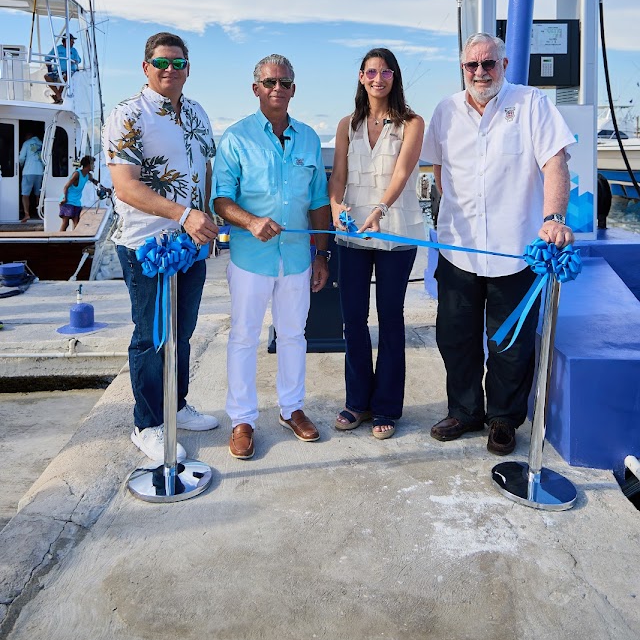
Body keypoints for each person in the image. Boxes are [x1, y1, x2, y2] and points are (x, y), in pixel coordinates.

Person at [424, 32, 575, 456]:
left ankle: (504, 419)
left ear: (504, 65)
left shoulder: (531, 104)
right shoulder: (445, 111)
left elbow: (555, 162)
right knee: (455, 337)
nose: (480, 72)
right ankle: (465, 411)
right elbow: (440, 171)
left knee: (509, 344)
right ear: (462, 69)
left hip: (515, 251)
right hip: (458, 248)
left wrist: (553, 219)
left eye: (489, 63)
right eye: (472, 65)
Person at [103, 32, 219, 464]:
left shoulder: (197, 112)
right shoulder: (128, 114)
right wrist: (184, 214)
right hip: (145, 245)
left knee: (182, 331)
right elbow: (126, 186)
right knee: (152, 335)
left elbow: (204, 167)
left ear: (188, 68)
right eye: (161, 63)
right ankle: (148, 423)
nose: (170, 70)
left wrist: (206, 219)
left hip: (191, 243)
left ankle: (177, 404)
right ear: (146, 67)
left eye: (178, 63)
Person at [213, 54, 330, 460]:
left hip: (298, 257)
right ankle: (242, 419)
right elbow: (220, 199)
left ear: (293, 89)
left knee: (294, 335)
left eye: (284, 83)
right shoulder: (235, 138)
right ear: (256, 88)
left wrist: (321, 254)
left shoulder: (310, 138)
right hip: (251, 258)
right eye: (269, 82)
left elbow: (318, 201)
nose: (276, 89)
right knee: (244, 336)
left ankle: (291, 408)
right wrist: (249, 221)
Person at [329, 48, 425, 440]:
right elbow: (338, 174)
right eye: (371, 71)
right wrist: (336, 207)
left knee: (390, 318)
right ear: (361, 76)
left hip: (394, 231)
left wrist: (381, 210)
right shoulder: (346, 125)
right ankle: (357, 402)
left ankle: (386, 406)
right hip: (351, 235)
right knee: (353, 320)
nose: (378, 78)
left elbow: (402, 172)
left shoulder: (412, 123)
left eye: (385, 72)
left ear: (394, 77)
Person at [59, 155, 100, 230]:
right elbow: (66, 187)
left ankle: (74, 241)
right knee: (66, 223)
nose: (94, 166)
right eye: (93, 164)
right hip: (67, 201)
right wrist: (65, 198)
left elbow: (95, 182)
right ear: (88, 165)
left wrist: (105, 189)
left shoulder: (88, 175)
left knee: (77, 224)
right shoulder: (77, 174)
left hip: (76, 202)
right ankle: (58, 240)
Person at [45, 33, 81, 103]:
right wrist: (49, 66)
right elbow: (47, 57)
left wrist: (74, 61)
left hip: (69, 71)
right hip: (57, 71)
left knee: (67, 75)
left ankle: (58, 95)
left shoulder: (74, 50)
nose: (73, 42)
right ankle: (58, 95)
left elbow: (79, 60)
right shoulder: (57, 48)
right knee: (46, 76)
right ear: (66, 41)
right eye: (72, 40)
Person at [19, 131, 44, 222]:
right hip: (40, 171)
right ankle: (38, 212)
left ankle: (27, 214)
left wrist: (21, 166)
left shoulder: (26, 143)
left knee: (25, 194)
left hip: (28, 171)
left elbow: (21, 157)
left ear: (29, 135)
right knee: (38, 194)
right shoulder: (42, 143)